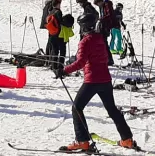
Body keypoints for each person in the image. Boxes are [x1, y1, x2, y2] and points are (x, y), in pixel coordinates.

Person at [59, 11, 139, 152]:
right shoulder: (100, 38)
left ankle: (82, 141)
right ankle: (126, 139)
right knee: (112, 109)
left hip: (92, 80)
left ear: (84, 27)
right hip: (105, 80)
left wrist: (64, 70)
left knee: (77, 108)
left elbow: (80, 62)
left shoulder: (85, 42)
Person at [45, 0, 66, 74]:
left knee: (55, 50)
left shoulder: (50, 12)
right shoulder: (58, 12)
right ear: (58, 5)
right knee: (62, 50)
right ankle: (60, 66)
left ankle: (53, 66)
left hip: (51, 34)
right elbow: (61, 22)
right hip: (59, 34)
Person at [93, 0, 117, 65]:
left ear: (100, 2)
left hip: (106, 26)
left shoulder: (107, 5)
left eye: (98, 4)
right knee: (103, 43)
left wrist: (101, 19)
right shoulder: (102, 6)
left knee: (104, 43)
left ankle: (109, 59)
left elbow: (109, 15)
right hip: (104, 25)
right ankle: (106, 58)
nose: (98, 6)